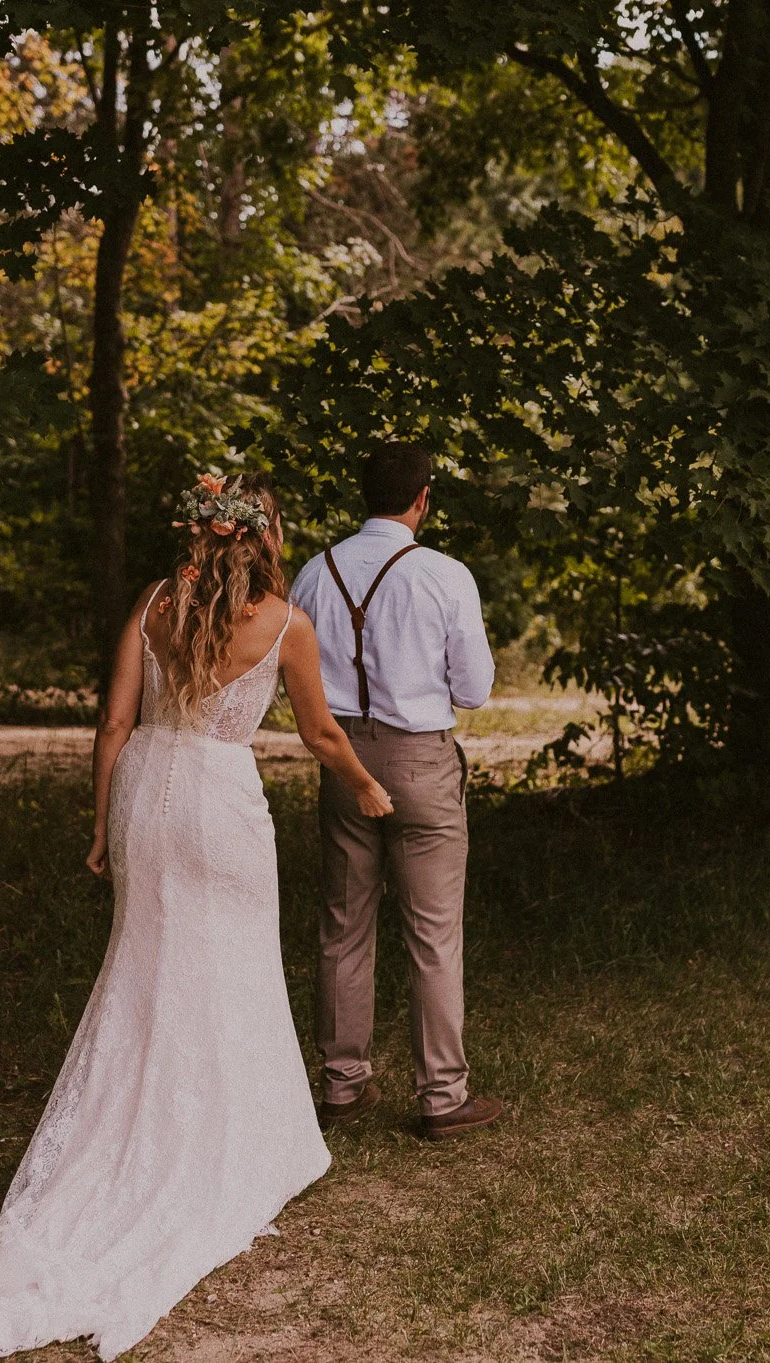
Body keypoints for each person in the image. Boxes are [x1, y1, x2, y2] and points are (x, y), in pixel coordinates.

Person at [0, 473, 393, 1361]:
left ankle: (137, 1131)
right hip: (218, 796)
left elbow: (112, 721)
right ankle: (221, 1138)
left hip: (147, 787)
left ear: (203, 531)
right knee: (231, 961)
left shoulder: (153, 603)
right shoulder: (285, 624)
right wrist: (369, 786)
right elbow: (322, 734)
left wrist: (102, 824)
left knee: (145, 960)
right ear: (264, 537)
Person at [290, 442, 502, 1140]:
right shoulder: (445, 575)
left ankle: (342, 1085)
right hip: (419, 762)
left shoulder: (314, 574)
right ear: (423, 497)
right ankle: (442, 1096)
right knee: (434, 933)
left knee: (343, 923)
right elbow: (473, 689)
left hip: (342, 756)